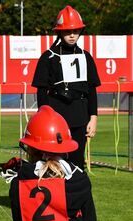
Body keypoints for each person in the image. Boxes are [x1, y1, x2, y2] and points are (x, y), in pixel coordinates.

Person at [32, 5, 101, 170]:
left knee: (77, 163)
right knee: (55, 163)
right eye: (67, 31)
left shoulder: (86, 57)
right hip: (56, 118)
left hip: (80, 116)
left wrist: (93, 117)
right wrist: (44, 118)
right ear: (59, 32)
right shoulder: (48, 57)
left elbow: (91, 90)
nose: (72, 35)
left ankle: (75, 193)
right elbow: (41, 92)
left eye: (76, 31)